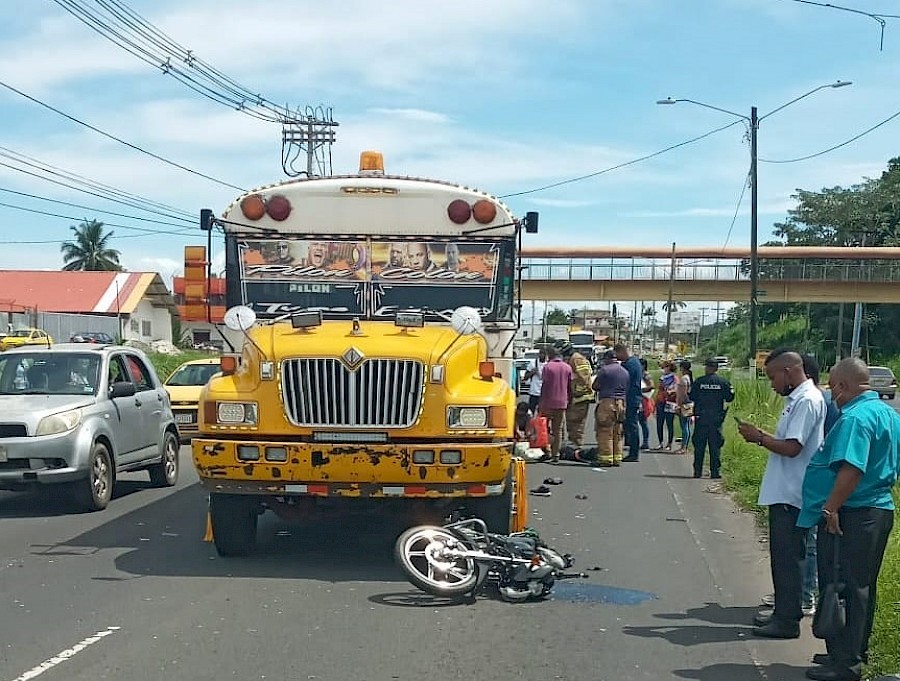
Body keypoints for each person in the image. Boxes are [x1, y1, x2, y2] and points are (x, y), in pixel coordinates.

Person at [797, 358, 899, 681]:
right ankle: (849, 650)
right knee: (860, 585)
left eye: (832, 386)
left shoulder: (855, 417)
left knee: (842, 584)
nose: (831, 392)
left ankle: (845, 664)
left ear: (843, 386)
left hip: (853, 511)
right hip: (877, 508)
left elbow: (852, 469)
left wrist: (830, 508)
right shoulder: (888, 414)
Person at [737, 349, 826, 640]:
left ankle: (787, 620)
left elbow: (793, 448)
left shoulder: (807, 400)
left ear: (788, 371)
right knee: (783, 558)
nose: (772, 383)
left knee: (789, 560)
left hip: (793, 494)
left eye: (772, 376)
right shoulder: (797, 399)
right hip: (786, 492)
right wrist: (763, 435)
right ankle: (782, 614)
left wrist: (759, 438)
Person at [689, 357, 735, 478]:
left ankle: (697, 471)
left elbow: (692, 396)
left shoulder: (699, 382)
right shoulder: (723, 382)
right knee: (715, 446)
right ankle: (715, 472)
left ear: (709, 368)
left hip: (701, 418)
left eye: (706, 366)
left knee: (699, 446)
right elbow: (730, 397)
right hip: (716, 420)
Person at [592, 349, 629, 466]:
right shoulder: (624, 371)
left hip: (607, 402)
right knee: (617, 432)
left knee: (604, 431)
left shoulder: (604, 370)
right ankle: (617, 457)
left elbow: (595, 385)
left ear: (607, 359)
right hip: (621, 404)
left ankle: (606, 458)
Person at [538, 346, 572, 463]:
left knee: (544, 428)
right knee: (558, 429)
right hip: (562, 402)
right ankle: (556, 454)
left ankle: (547, 451)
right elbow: (569, 387)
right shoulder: (567, 367)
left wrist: (541, 401)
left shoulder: (548, 367)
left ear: (549, 355)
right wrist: (569, 400)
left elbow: (545, 385)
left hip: (548, 402)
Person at [614, 343, 643, 462]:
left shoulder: (629, 365)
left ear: (622, 351)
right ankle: (630, 447)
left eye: (617, 354)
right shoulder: (635, 362)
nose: (616, 357)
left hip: (630, 398)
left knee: (632, 425)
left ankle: (634, 452)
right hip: (633, 397)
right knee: (629, 425)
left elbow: (624, 382)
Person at [562, 342, 594, 449]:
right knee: (571, 421)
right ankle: (573, 443)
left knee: (577, 422)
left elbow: (584, 377)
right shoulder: (572, 359)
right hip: (575, 396)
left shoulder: (577, 359)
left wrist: (577, 389)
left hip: (581, 396)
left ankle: (577, 444)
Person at [653, 361, 677, 451]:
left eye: (665, 367)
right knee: (659, 423)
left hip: (670, 402)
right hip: (661, 401)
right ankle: (660, 443)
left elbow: (676, 388)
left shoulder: (674, 377)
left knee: (669, 423)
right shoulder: (662, 377)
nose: (664, 369)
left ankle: (669, 444)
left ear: (669, 367)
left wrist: (671, 391)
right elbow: (659, 390)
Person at [675, 360, 694, 455]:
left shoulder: (683, 379)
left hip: (684, 404)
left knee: (684, 426)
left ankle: (683, 447)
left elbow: (682, 394)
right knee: (687, 425)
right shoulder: (689, 378)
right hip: (690, 404)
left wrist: (679, 405)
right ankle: (685, 446)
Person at [525, 349, 547, 414]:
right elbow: (525, 377)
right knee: (531, 411)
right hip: (534, 392)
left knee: (542, 412)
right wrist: (532, 372)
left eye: (543, 354)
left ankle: (540, 423)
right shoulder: (533, 363)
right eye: (540, 354)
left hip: (544, 393)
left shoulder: (548, 365)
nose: (541, 355)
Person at [638, 357, 653, 451]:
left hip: (644, 400)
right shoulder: (639, 374)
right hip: (639, 399)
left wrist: (640, 390)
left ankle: (646, 441)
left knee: (643, 422)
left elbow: (651, 385)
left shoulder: (645, 374)